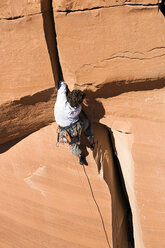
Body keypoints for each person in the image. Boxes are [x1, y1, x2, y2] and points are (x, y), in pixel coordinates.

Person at [54, 81, 94, 165]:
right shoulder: (77, 108)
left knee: (72, 143)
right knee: (87, 123)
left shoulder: (61, 101)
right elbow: (78, 112)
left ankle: (79, 157)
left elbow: (62, 84)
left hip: (62, 128)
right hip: (73, 127)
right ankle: (91, 143)